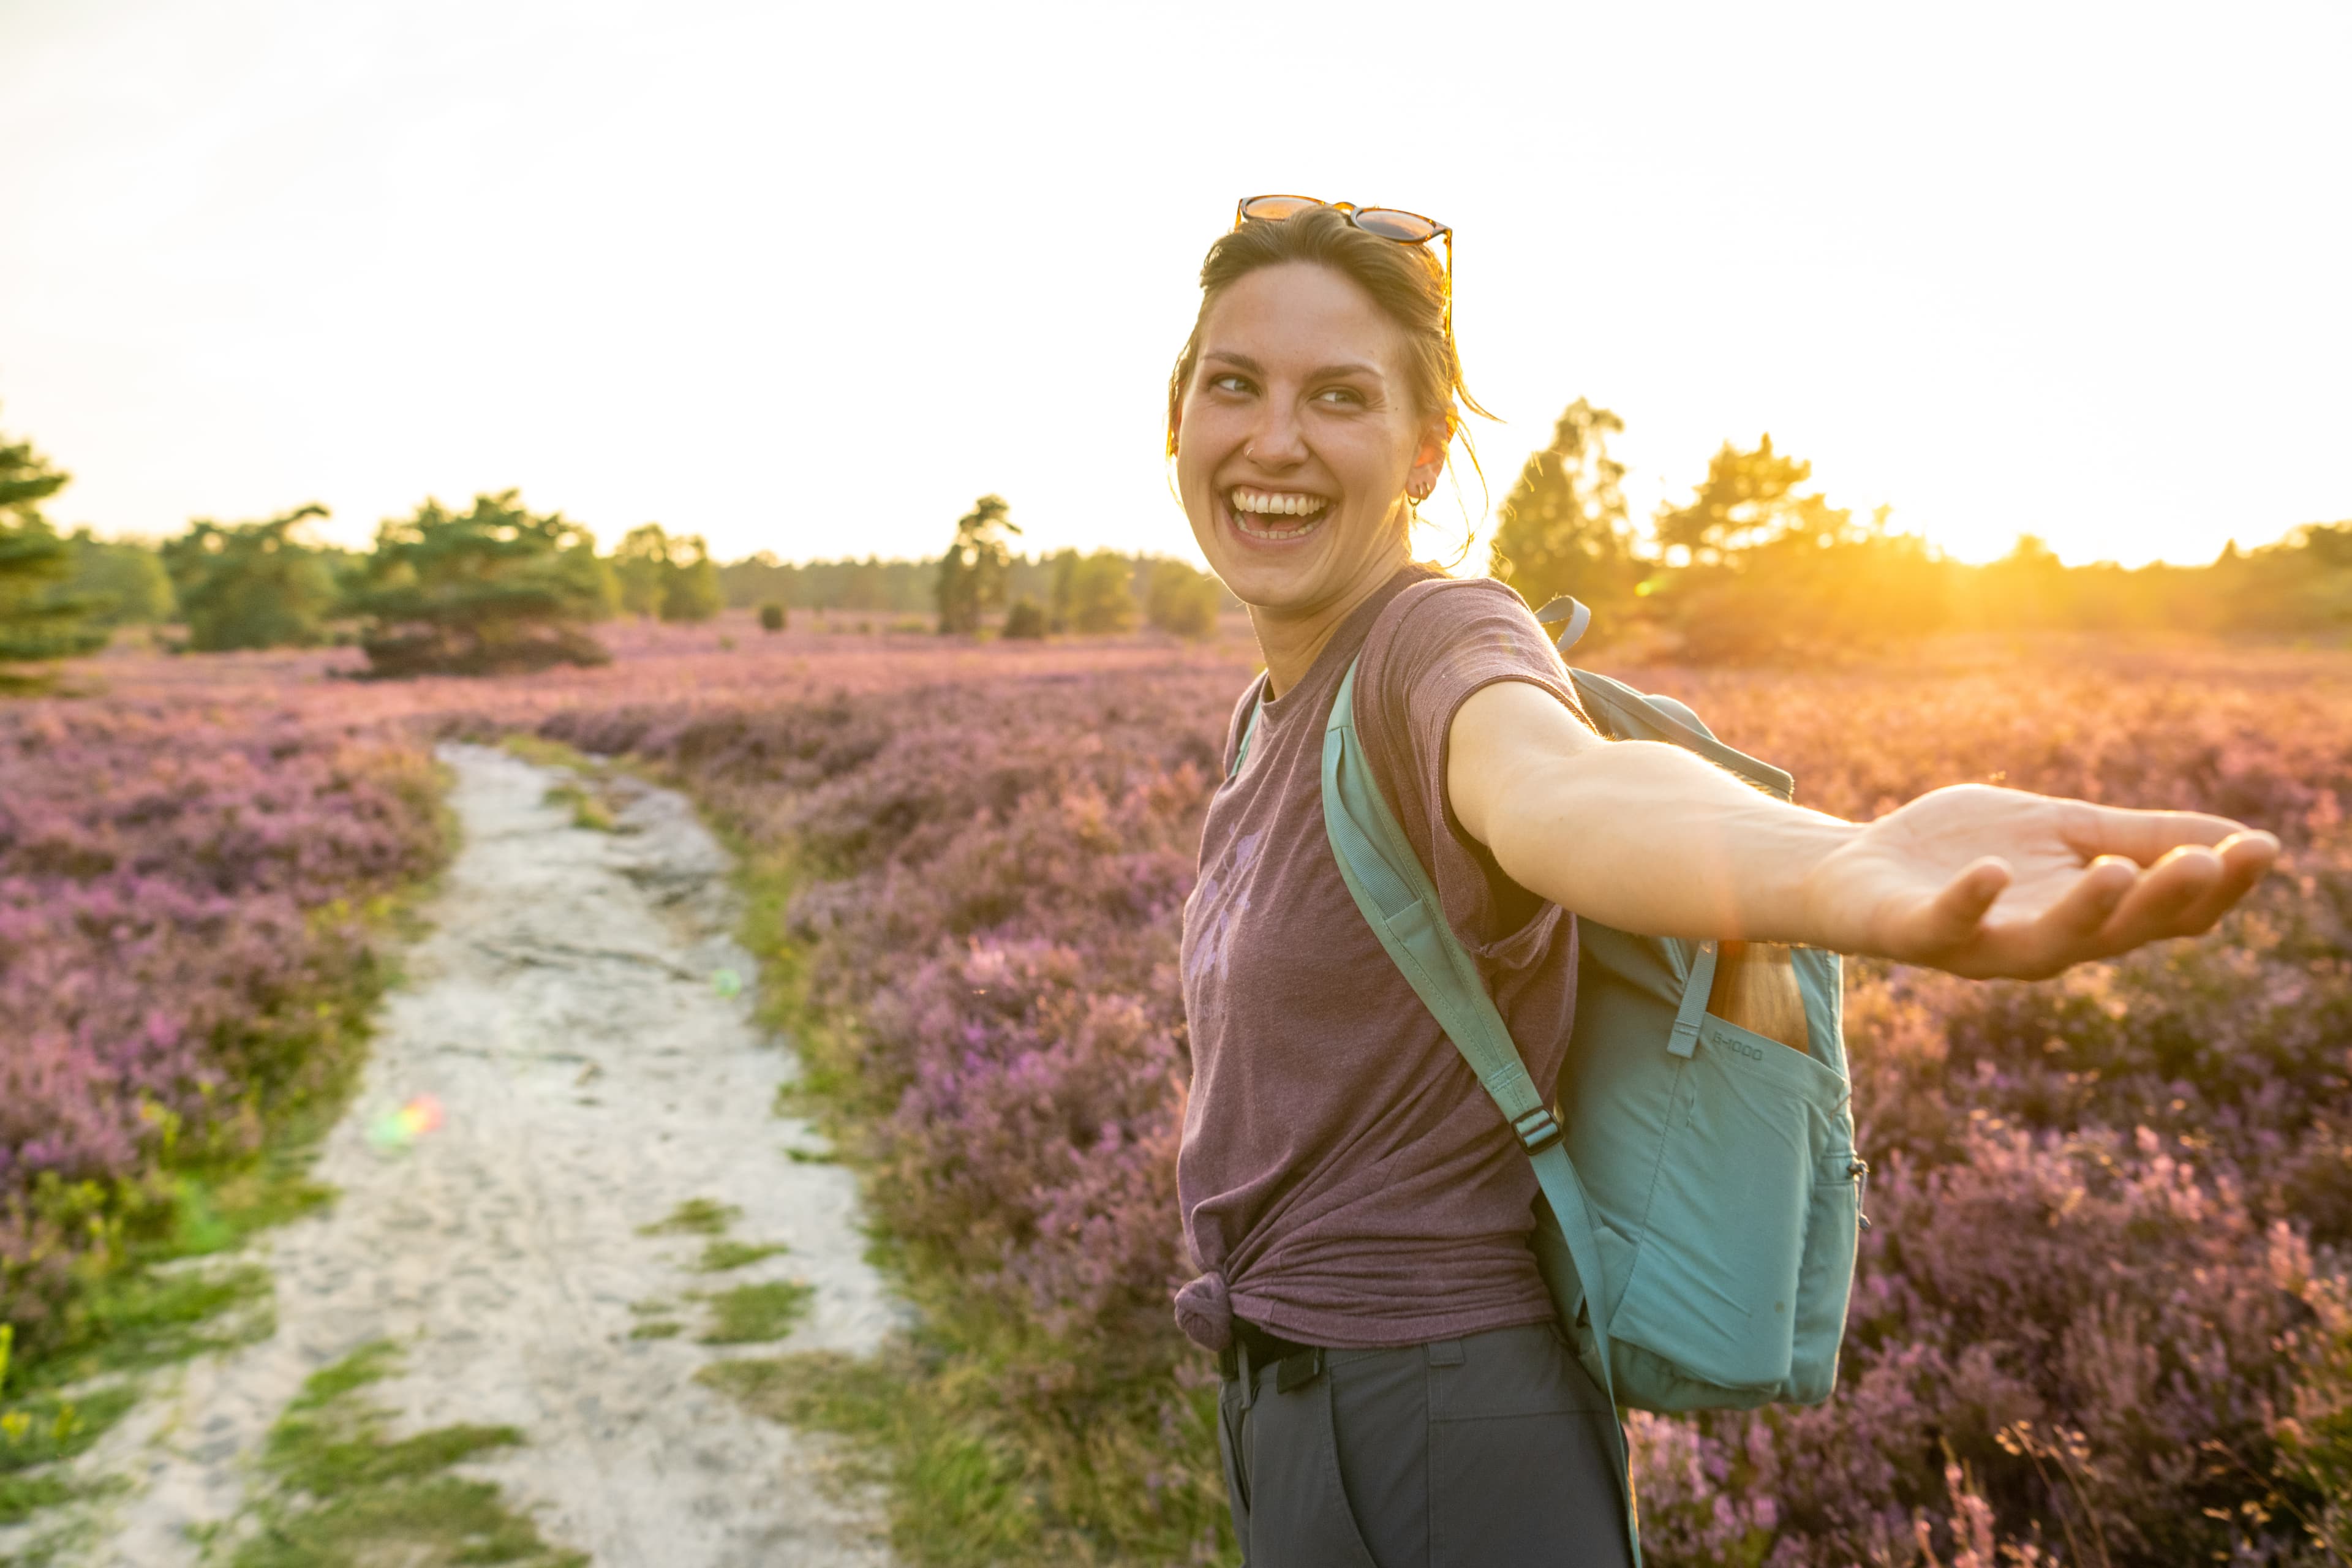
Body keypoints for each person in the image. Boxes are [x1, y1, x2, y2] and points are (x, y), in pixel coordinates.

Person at [1167, 197, 2279, 1567]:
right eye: (1236, 384)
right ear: (1180, 415)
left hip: (1436, 1417)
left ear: (1425, 449)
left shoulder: (1434, 642)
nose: (1274, 440)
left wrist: (1836, 864)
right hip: (1294, 1402)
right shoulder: (1273, 712)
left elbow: (1564, 787)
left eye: (1340, 397)